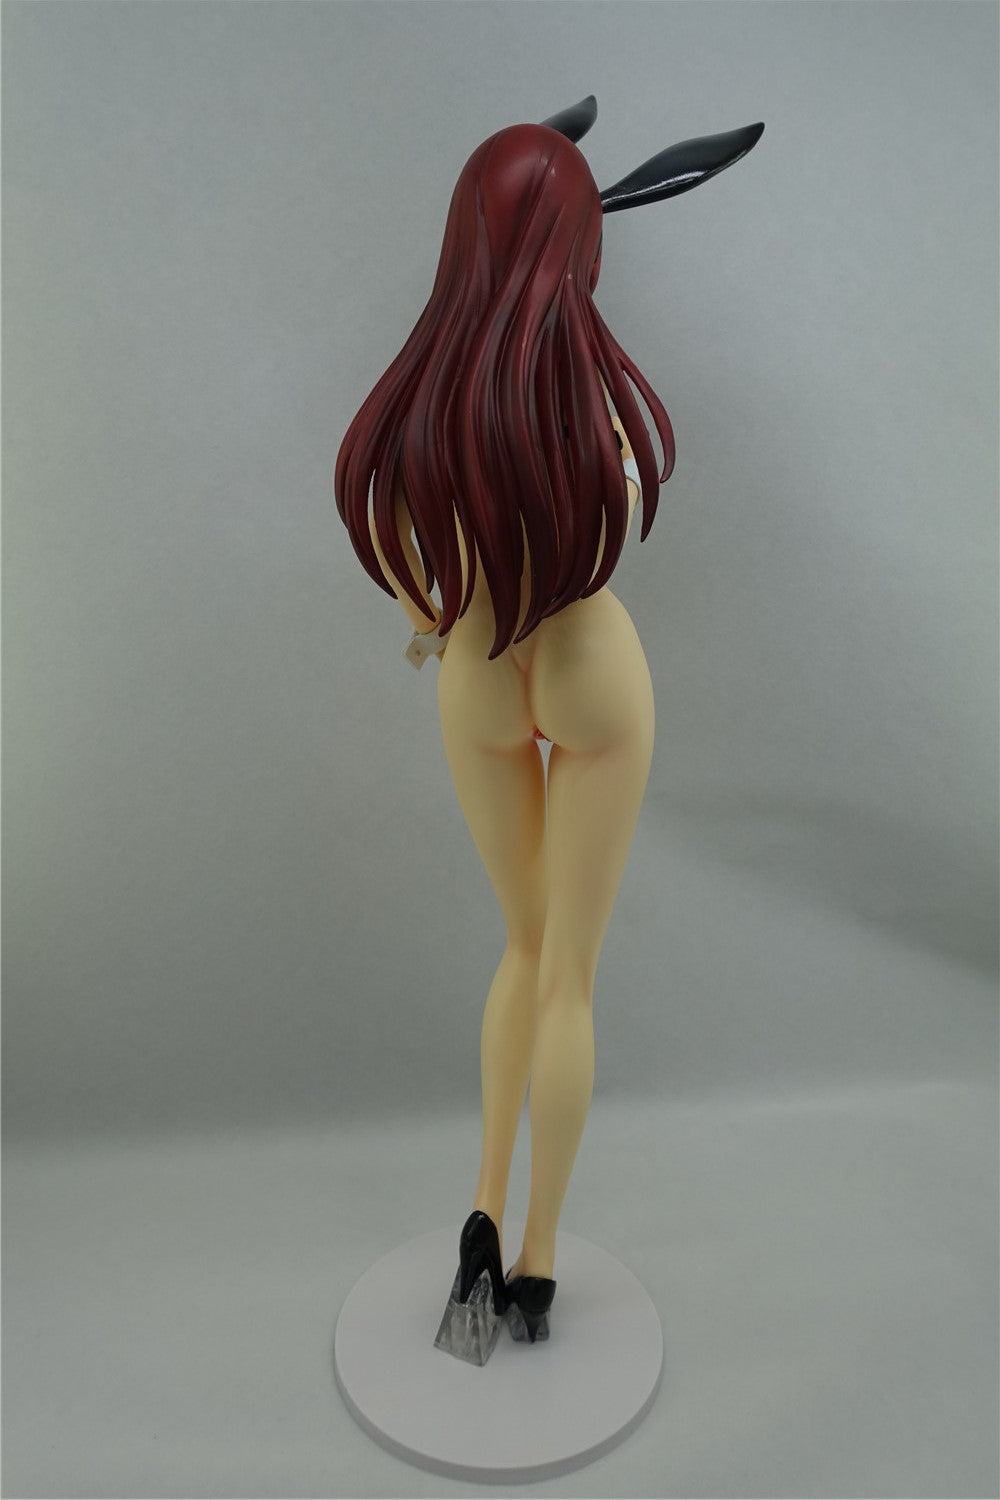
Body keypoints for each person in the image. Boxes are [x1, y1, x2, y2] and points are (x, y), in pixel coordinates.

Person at [335, 98, 763, 1363]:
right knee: (568, 972)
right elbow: (611, 517)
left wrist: (438, 625)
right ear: (576, 246)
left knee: (518, 946)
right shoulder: (595, 404)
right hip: (587, 668)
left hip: (474, 672)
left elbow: (405, 568)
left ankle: (476, 1206)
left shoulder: (418, 403)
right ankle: (532, 1263)